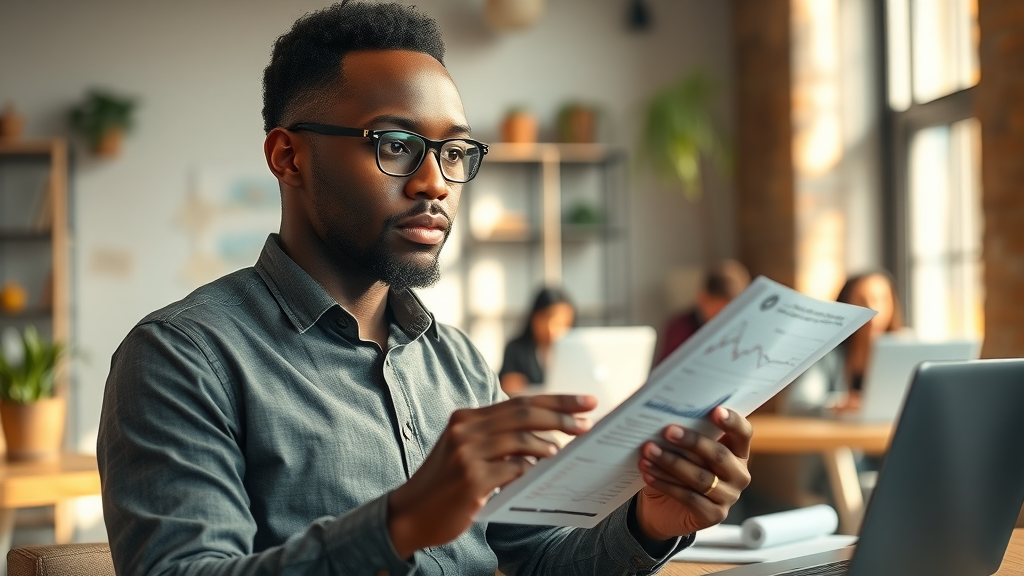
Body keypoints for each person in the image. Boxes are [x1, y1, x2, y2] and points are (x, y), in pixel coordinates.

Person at [97, 3, 753, 575]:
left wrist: (649, 523)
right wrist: (401, 523)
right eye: (396, 144)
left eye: (453, 152)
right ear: (287, 157)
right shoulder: (182, 358)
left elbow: (539, 559)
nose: (435, 182)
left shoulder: (458, 362)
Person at [782, 270, 905, 415]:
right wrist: (836, 405)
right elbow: (797, 403)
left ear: (893, 304)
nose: (873, 308)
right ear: (847, 304)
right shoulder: (828, 352)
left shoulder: (905, 349)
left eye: (880, 299)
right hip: (841, 436)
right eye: (862, 300)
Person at [654, 259, 751, 365]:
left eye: (733, 312)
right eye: (719, 312)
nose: (726, 318)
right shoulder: (679, 328)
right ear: (702, 298)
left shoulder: (744, 327)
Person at [498, 287, 575, 395]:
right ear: (534, 317)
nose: (551, 328)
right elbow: (507, 385)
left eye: (561, 323)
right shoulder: (516, 349)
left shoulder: (574, 352)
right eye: (546, 318)